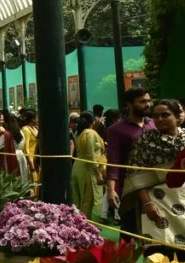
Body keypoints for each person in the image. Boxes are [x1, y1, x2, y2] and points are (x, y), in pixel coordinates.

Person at [122, 99, 185, 251]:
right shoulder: (145, 140)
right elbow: (136, 175)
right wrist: (147, 203)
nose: (160, 119)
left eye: (165, 115)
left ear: (178, 117)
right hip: (156, 200)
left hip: (183, 197)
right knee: (159, 250)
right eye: (156, 116)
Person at [106, 88, 154, 236]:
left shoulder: (154, 124)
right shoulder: (116, 130)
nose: (148, 104)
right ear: (130, 105)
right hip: (130, 187)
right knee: (129, 230)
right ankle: (125, 259)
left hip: (156, 184)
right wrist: (111, 190)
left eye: (148, 100)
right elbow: (113, 161)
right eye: (142, 101)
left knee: (155, 228)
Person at [71, 113, 106, 220]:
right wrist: (98, 173)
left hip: (78, 166)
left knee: (78, 198)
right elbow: (90, 155)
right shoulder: (90, 133)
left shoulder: (78, 132)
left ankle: (80, 224)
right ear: (93, 121)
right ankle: (86, 226)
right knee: (88, 199)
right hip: (88, 168)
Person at [0, 110, 20, 176]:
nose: (2, 122)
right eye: (1, 120)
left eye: (3, 120)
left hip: (1, 158)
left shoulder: (2, 129)